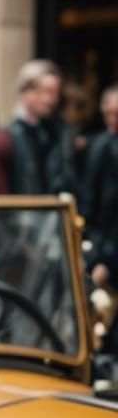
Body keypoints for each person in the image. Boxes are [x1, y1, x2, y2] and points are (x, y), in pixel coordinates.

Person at [6, 58, 76, 196]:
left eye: (56, 93)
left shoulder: (57, 130)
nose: (53, 100)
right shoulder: (9, 134)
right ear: (28, 93)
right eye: (48, 92)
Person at [84, 84, 118, 288]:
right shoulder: (99, 145)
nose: (112, 120)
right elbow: (91, 199)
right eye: (108, 114)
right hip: (102, 244)